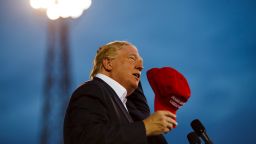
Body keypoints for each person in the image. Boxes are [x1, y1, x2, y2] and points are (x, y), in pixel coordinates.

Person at [63, 41, 177, 144]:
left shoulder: (128, 107)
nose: (141, 67)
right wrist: (145, 127)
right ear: (108, 63)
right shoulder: (92, 90)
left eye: (140, 62)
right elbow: (86, 138)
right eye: (132, 58)